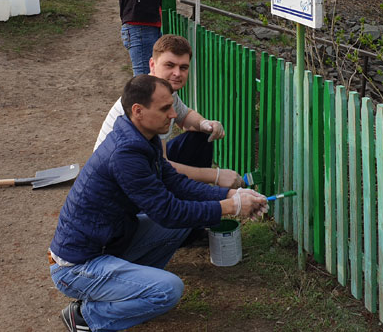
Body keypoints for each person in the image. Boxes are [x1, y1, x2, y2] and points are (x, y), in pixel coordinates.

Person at [48, 75, 268, 332]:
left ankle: (124, 287)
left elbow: (175, 183)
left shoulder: (143, 137)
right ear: (138, 111)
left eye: (172, 106)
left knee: (180, 227)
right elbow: (168, 211)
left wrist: (228, 196)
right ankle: (86, 316)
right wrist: (231, 208)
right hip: (78, 265)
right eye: (165, 108)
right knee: (168, 290)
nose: (174, 114)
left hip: (108, 242)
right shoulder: (126, 154)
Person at [94, 34, 244, 188]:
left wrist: (204, 123)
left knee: (201, 136)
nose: (177, 73)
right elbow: (162, 166)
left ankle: (193, 191)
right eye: (169, 65)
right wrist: (215, 175)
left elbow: (185, 116)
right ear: (152, 64)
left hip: (140, 162)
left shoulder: (161, 89)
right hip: (117, 180)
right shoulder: (149, 101)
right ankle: (189, 195)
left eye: (183, 67)